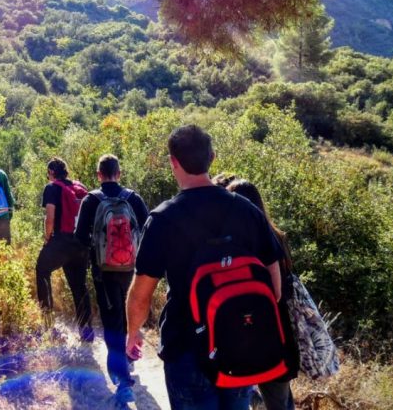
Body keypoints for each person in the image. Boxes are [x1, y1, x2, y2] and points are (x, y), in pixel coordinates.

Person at [125, 125, 283, 410]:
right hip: (240, 346)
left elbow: (141, 293)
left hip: (186, 348)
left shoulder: (163, 219)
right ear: (212, 157)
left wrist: (133, 332)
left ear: (173, 162)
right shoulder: (248, 211)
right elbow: (275, 287)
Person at [214, 174, 299, 410]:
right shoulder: (276, 238)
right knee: (280, 401)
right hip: (278, 333)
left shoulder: (235, 245)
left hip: (247, 332)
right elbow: (283, 291)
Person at [75, 154, 150, 403]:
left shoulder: (92, 200)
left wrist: (98, 250)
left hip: (104, 273)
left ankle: (122, 381)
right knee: (132, 316)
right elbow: (148, 228)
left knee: (113, 322)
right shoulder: (132, 198)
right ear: (119, 173)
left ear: (99, 174)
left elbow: (79, 237)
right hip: (132, 270)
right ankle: (128, 360)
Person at [36, 157, 93, 341]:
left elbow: (50, 217)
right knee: (79, 286)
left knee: (42, 270)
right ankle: (87, 332)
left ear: (51, 172)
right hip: (81, 243)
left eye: (48, 173)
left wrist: (47, 238)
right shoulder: (79, 187)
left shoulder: (52, 188)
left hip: (61, 242)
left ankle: (48, 325)